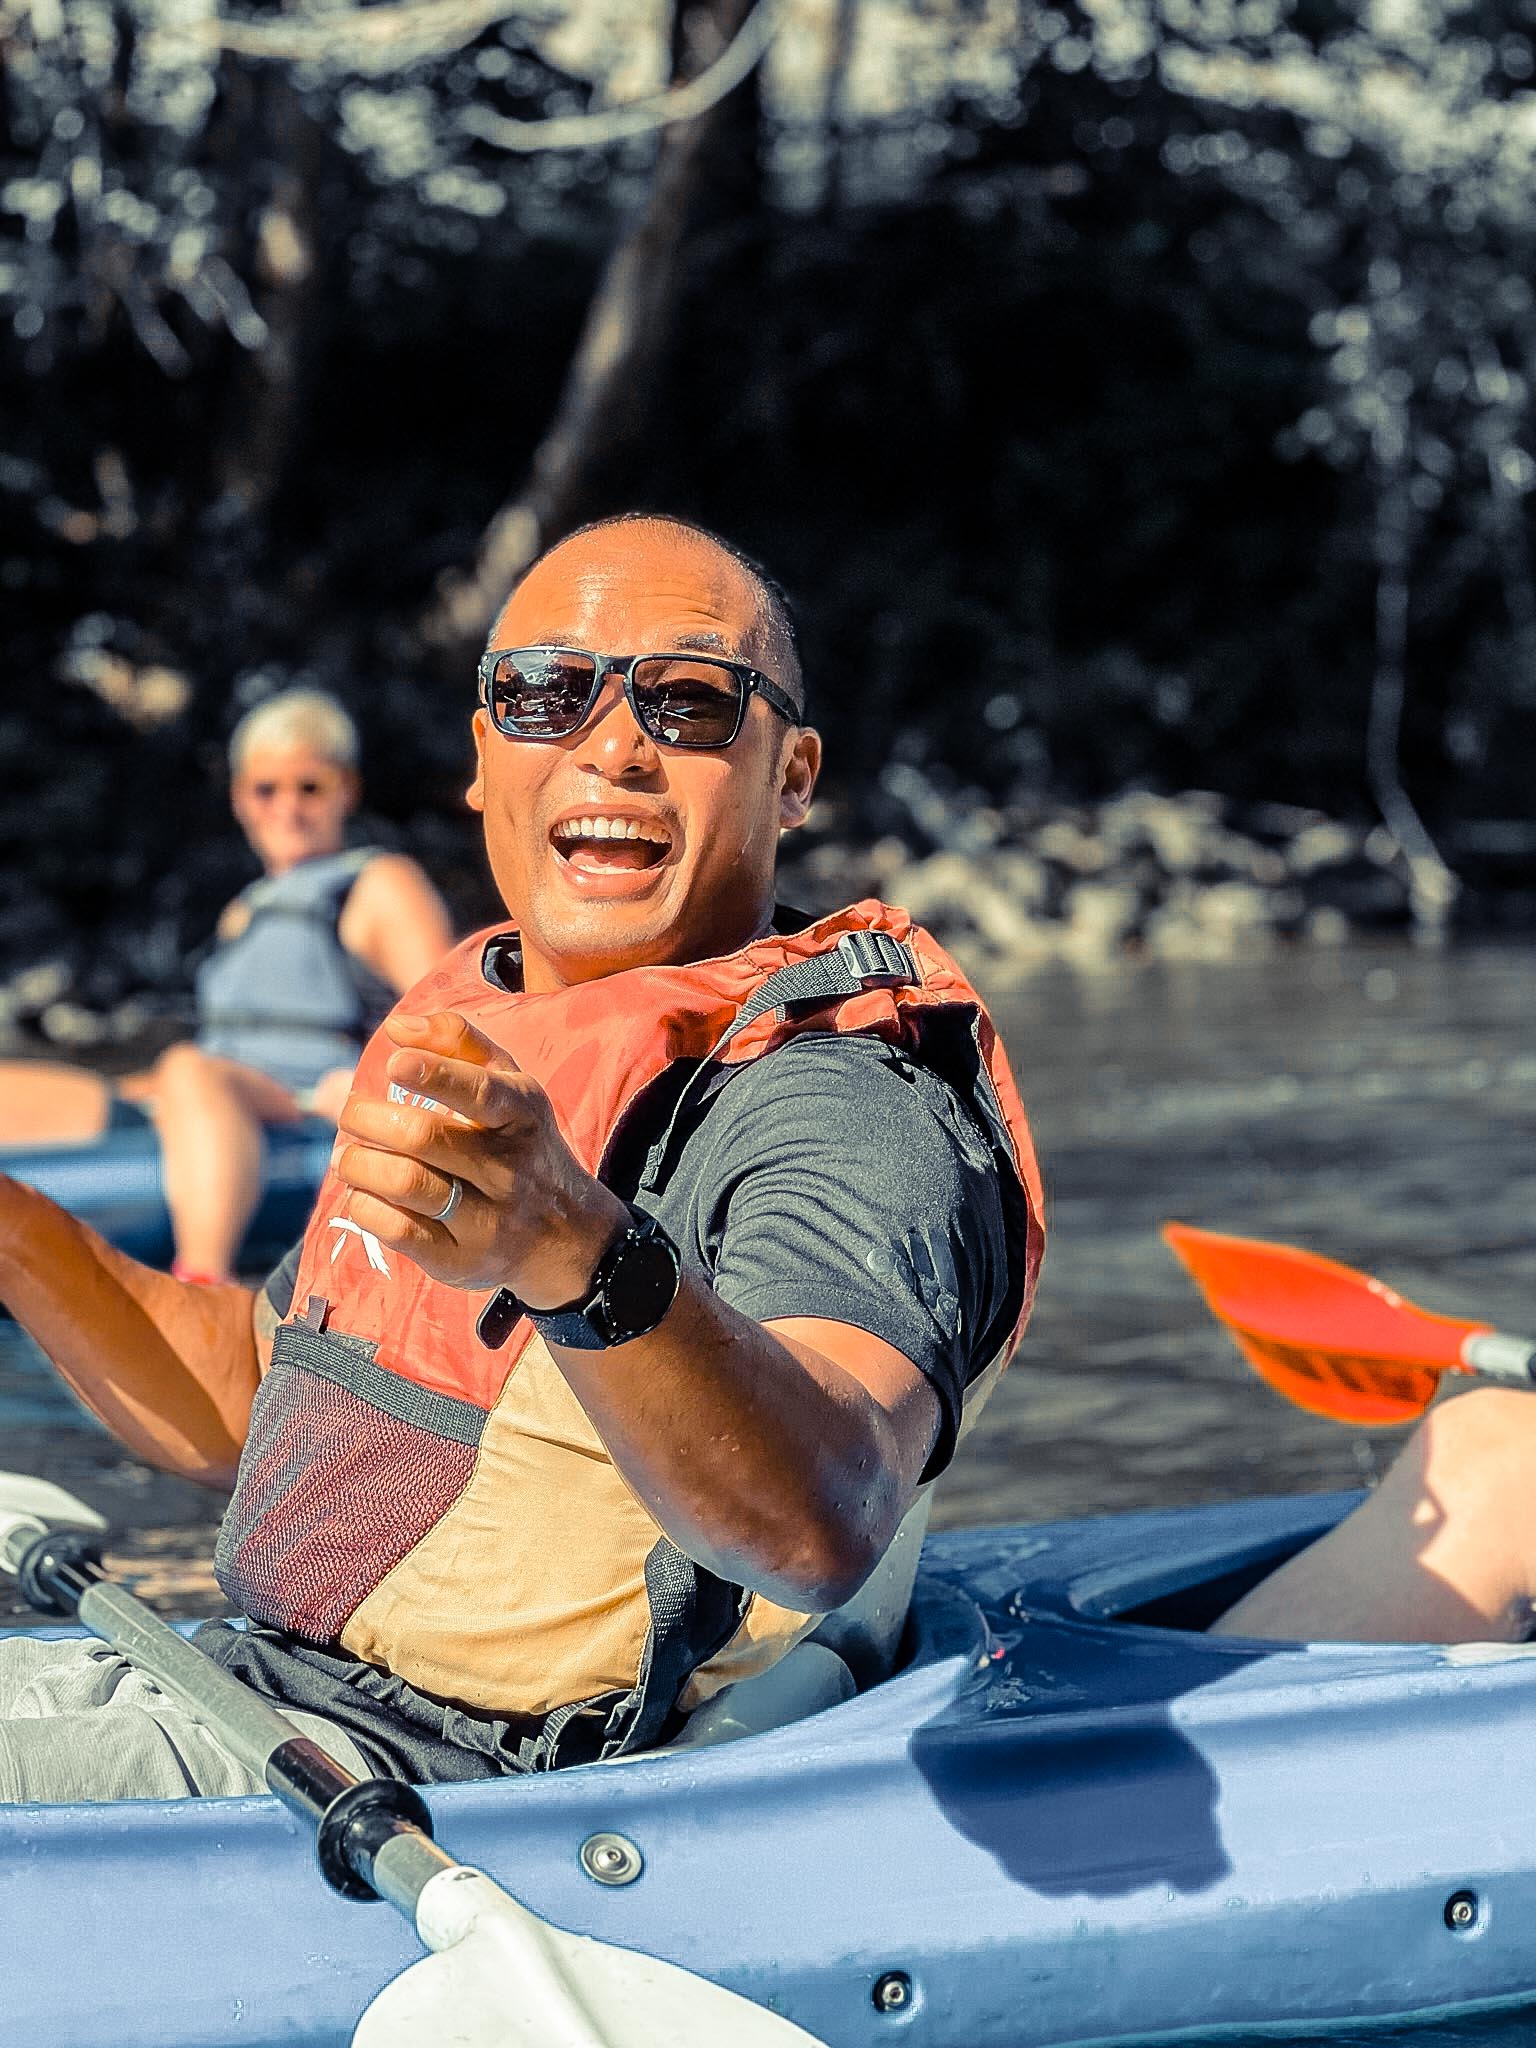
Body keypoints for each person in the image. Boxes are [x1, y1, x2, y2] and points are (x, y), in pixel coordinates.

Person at [0, 513, 1044, 1801]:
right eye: (548, 694)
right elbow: (237, 1398)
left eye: (690, 702)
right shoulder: (476, 1025)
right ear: (484, 761)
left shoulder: (845, 1102)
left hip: (435, 1784)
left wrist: (574, 1253)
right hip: (255, 1693)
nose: (613, 745)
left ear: (793, 774)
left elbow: (822, 1519)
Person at [0, 688, 454, 1284]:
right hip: (204, 1105)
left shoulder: (377, 883)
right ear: (241, 798)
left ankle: (205, 1281)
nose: (287, 808)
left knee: (190, 1068)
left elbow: (450, 1020)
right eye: (267, 789)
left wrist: (372, 1087)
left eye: (310, 787)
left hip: (298, 1108)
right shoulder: (243, 911)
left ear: (347, 789)